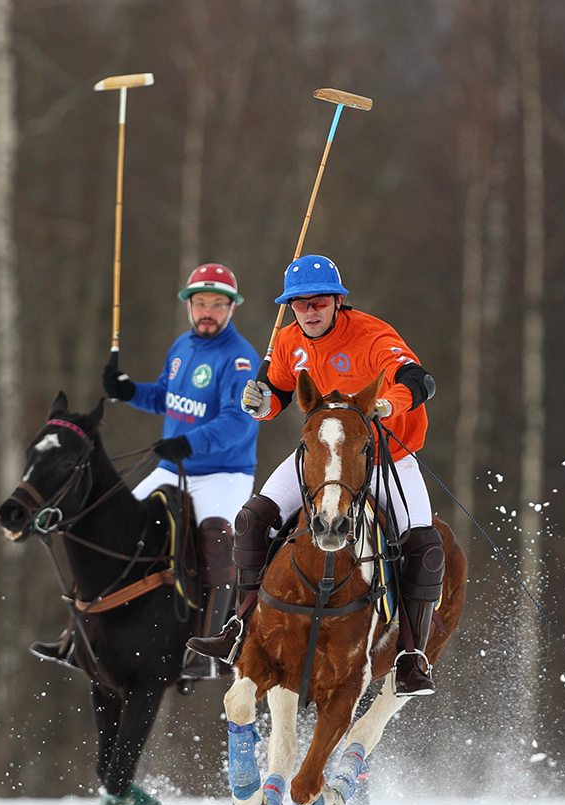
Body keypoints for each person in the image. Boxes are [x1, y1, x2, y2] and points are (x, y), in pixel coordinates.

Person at [187, 254, 445, 695]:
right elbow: (276, 397)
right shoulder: (288, 340)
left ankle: (409, 655)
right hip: (325, 455)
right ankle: (239, 627)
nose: (310, 311)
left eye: (319, 301)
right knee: (251, 521)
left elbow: (421, 381)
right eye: (299, 303)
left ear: (337, 301)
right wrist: (258, 402)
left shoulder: (372, 335)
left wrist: (387, 406)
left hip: (386, 454)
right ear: (289, 306)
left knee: (424, 546)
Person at [32, 264, 260, 682]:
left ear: (231, 308)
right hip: (172, 466)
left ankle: (208, 651)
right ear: (189, 306)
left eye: (218, 305)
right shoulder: (182, 347)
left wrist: (190, 444)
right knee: (109, 524)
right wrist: (130, 391)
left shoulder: (240, 359)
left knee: (214, 539)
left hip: (223, 474)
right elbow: (166, 397)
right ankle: (74, 638)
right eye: (201, 304)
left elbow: (240, 421)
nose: (208, 312)